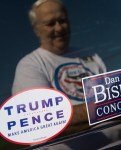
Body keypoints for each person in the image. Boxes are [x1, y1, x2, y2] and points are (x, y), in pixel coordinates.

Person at [12, 0, 106, 135]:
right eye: (50, 23)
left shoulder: (92, 56)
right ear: (36, 30)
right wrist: (111, 106)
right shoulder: (30, 65)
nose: (59, 28)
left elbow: (112, 94)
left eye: (62, 21)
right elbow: (43, 122)